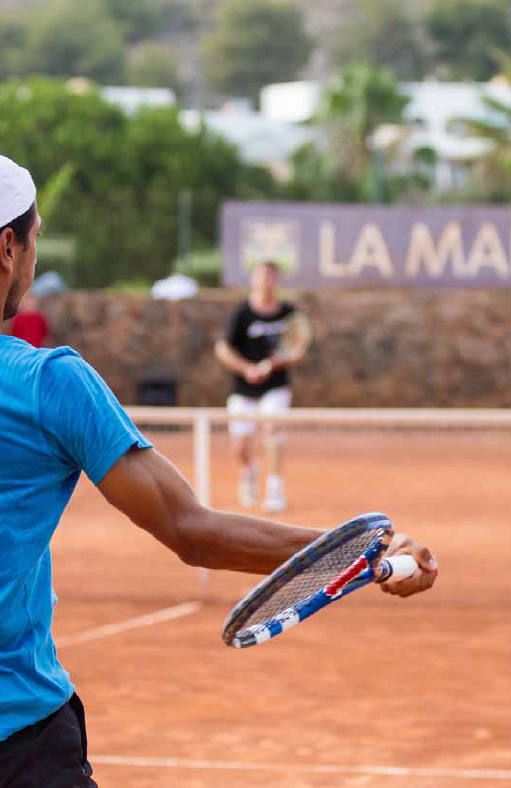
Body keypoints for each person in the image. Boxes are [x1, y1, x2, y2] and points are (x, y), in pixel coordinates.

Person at [0, 154, 438, 787]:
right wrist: (368, 552)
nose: (34, 262)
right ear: (8, 247)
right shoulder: (48, 384)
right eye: (35, 239)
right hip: (22, 742)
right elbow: (190, 528)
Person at [215, 260, 304, 513]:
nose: (266, 281)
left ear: (276, 281)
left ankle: (274, 490)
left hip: (276, 386)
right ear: (253, 280)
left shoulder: (288, 312)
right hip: (243, 389)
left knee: (273, 429)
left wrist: (281, 361)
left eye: (271, 276)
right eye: (261, 276)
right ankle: (248, 474)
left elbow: (297, 349)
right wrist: (246, 369)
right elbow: (223, 348)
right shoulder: (242, 313)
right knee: (240, 445)